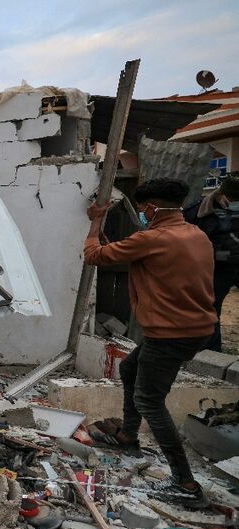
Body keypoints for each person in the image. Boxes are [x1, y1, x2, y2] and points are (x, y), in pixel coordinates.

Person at [84, 178, 216, 508]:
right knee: (130, 369)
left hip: (170, 333)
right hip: (197, 328)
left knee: (149, 400)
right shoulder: (196, 235)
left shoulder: (152, 239)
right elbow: (121, 252)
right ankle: (128, 435)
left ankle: (185, 483)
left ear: (153, 208)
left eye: (143, 209)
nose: (142, 214)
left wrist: (95, 221)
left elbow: (93, 255)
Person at [183, 172, 239, 351]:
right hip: (215, 269)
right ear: (222, 194)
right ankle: (211, 353)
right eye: (233, 198)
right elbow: (186, 239)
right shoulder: (198, 211)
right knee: (211, 310)